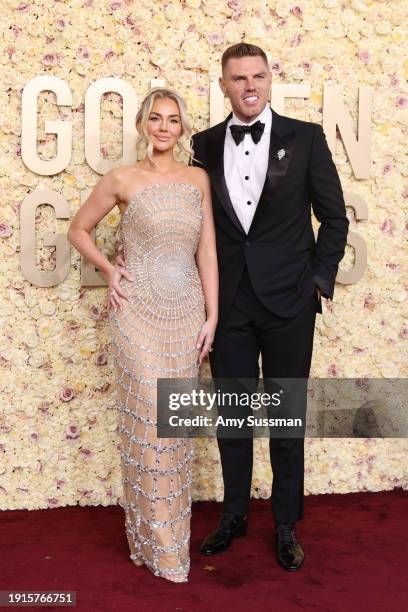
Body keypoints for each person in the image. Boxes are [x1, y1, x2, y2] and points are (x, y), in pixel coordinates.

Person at [188, 43, 349, 571]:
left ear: (270, 80)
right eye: (238, 79)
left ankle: (285, 525)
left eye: (257, 76)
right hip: (228, 304)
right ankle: (234, 515)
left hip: (289, 304)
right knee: (232, 418)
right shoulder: (204, 144)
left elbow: (334, 218)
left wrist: (318, 280)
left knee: (286, 419)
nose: (249, 86)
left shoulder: (306, 138)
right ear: (223, 86)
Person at [67, 87, 218, 583]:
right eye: (155, 118)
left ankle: (166, 542)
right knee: (149, 423)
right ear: (141, 124)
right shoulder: (120, 178)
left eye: (173, 120)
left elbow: (207, 253)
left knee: (173, 427)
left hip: (185, 314)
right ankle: (154, 544)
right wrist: (111, 271)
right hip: (136, 314)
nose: (163, 127)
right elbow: (78, 230)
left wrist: (212, 316)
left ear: (182, 128)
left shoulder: (198, 178)